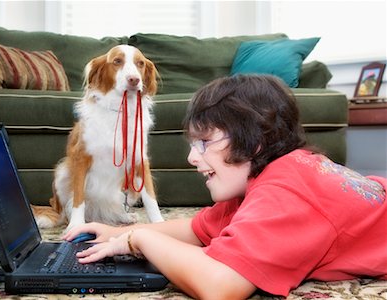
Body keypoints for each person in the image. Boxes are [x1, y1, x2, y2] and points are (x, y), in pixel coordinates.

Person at [63, 75, 387, 299]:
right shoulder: (269, 175)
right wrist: (114, 234)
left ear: (255, 140)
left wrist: (139, 239)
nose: (192, 157)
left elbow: (221, 286)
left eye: (204, 142)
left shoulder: (284, 196)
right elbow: (196, 228)